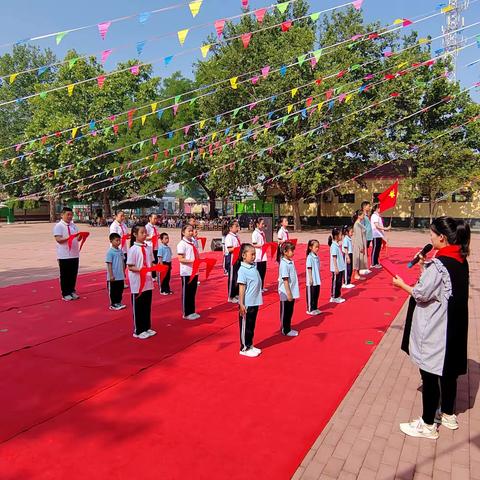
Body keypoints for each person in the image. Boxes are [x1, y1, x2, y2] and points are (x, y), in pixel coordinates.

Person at [393, 217, 470, 439]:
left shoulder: (439, 265)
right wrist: (422, 266)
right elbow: (435, 288)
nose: (430, 237)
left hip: (437, 326)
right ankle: (447, 413)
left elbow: (421, 293)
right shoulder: (459, 259)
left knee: (429, 374)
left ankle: (427, 424)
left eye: (431, 234)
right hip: (453, 325)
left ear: (442, 237)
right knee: (448, 372)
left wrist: (401, 284)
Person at [126, 224, 156, 339]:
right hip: (138, 282)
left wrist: (156, 268)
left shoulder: (148, 247)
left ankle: (146, 327)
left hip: (148, 281)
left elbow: (151, 262)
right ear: (135, 234)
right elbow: (130, 266)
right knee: (138, 306)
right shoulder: (133, 249)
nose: (145, 235)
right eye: (142, 233)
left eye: (145, 232)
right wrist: (141, 270)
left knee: (146, 305)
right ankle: (138, 330)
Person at [237, 244, 263, 358]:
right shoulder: (242, 270)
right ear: (243, 255)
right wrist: (241, 304)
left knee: (251, 325)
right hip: (247, 303)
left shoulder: (253, 267)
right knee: (245, 326)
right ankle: (244, 347)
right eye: (251, 254)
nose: (253, 256)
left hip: (254, 301)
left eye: (254, 254)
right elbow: (242, 288)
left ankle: (250, 344)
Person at [53, 207, 81, 301]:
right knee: (65, 274)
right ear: (62, 215)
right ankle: (65, 293)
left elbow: (77, 238)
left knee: (73, 273)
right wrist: (69, 238)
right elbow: (58, 239)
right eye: (67, 214)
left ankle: (72, 290)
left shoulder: (73, 226)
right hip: (64, 255)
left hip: (74, 253)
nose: (70, 216)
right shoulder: (59, 226)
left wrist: (80, 236)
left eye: (71, 215)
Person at [177, 224, 200, 320]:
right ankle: (186, 312)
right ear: (183, 232)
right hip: (186, 272)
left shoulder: (193, 242)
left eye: (192, 230)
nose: (191, 232)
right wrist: (192, 261)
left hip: (194, 271)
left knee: (193, 292)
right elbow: (180, 258)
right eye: (189, 231)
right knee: (187, 292)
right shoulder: (182, 244)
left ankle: (192, 310)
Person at [278, 242, 299, 337]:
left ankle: (288, 327)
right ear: (285, 252)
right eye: (292, 251)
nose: (293, 252)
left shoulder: (290, 262)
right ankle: (284, 329)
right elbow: (285, 280)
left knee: (290, 310)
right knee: (285, 311)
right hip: (286, 292)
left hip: (291, 290)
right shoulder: (284, 264)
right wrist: (288, 293)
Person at [105, 233, 126, 310]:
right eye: (116, 240)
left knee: (120, 289)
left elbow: (123, 262)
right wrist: (111, 275)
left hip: (120, 275)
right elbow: (109, 264)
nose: (118, 242)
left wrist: (124, 272)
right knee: (113, 290)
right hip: (113, 276)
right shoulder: (110, 252)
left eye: (119, 240)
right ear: (111, 241)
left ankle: (118, 302)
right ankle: (113, 304)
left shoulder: (120, 251)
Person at [225, 220, 241, 303]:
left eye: (238, 226)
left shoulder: (236, 236)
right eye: (236, 226)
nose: (237, 228)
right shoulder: (229, 237)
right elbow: (230, 249)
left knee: (237, 277)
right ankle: (230, 296)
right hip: (232, 258)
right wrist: (238, 248)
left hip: (237, 258)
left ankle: (236, 293)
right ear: (230, 228)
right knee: (232, 278)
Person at [328, 227, 346, 303]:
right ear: (336, 236)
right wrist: (335, 268)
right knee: (336, 282)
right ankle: (334, 296)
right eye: (340, 235)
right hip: (337, 268)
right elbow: (334, 258)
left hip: (340, 267)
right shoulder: (334, 246)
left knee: (339, 282)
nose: (341, 236)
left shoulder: (337, 245)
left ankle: (337, 296)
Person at [371, 204, 390, 268]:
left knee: (378, 249)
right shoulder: (374, 216)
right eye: (380, 208)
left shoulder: (378, 216)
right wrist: (386, 228)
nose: (381, 209)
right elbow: (377, 226)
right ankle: (373, 263)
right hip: (375, 234)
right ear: (376, 208)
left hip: (379, 235)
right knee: (375, 248)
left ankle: (376, 262)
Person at [305, 239, 321, 315]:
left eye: (318, 247)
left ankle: (315, 307)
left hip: (317, 279)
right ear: (310, 247)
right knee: (311, 294)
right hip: (312, 279)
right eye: (316, 247)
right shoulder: (309, 257)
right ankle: (310, 309)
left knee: (316, 294)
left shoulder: (316, 256)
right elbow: (309, 268)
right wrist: (310, 278)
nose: (317, 248)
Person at [252, 217, 268, 291]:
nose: (263, 225)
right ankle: (258, 288)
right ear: (257, 224)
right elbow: (254, 244)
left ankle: (261, 286)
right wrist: (262, 246)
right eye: (262, 224)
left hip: (263, 254)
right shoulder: (255, 233)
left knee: (263, 271)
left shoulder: (262, 233)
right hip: (258, 255)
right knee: (258, 272)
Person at [352, 210, 368, 282]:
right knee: (358, 259)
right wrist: (361, 247)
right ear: (359, 216)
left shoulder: (359, 223)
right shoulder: (357, 224)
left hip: (360, 243)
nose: (364, 216)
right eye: (362, 215)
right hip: (358, 244)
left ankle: (357, 273)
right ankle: (356, 274)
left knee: (359, 259)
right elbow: (358, 237)